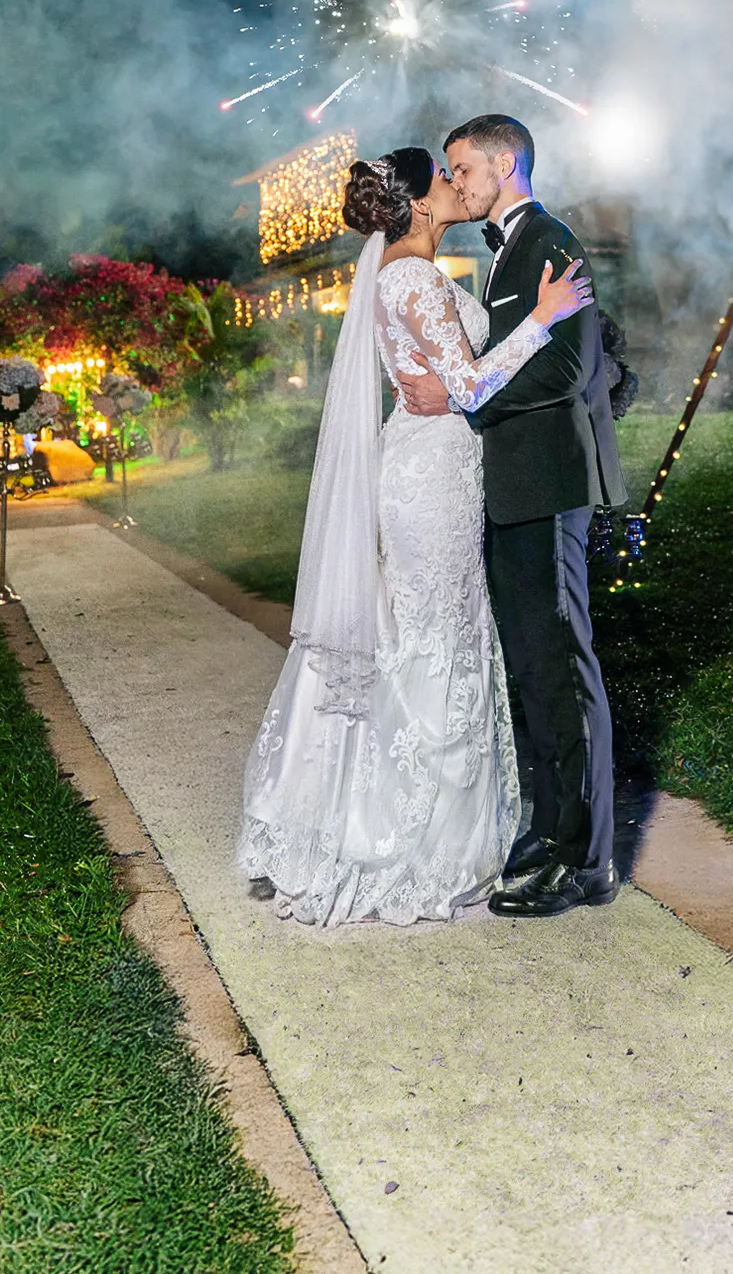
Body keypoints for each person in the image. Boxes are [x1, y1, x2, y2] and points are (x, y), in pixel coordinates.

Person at [237, 146, 592, 927]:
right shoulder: (415, 279)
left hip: (431, 466)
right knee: (433, 638)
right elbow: (466, 385)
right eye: (443, 177)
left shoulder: (402, 274)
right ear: (420, 203)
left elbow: (449, 379)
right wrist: (541, 319)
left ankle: (382, 822)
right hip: (431, 480)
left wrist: (457, 379)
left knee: (426, 634)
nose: (456, 184)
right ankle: (410, 841)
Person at [397, 114, 627, 918]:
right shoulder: (507, 248)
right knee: (531, 665)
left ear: (506, 164)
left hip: (548, 483)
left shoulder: (548, 240)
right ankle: (550, 830)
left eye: (463, 168)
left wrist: (463, 402)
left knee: (561, 666)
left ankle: (586, 861)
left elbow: (564, 369)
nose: (455, 182)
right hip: (513, 486)